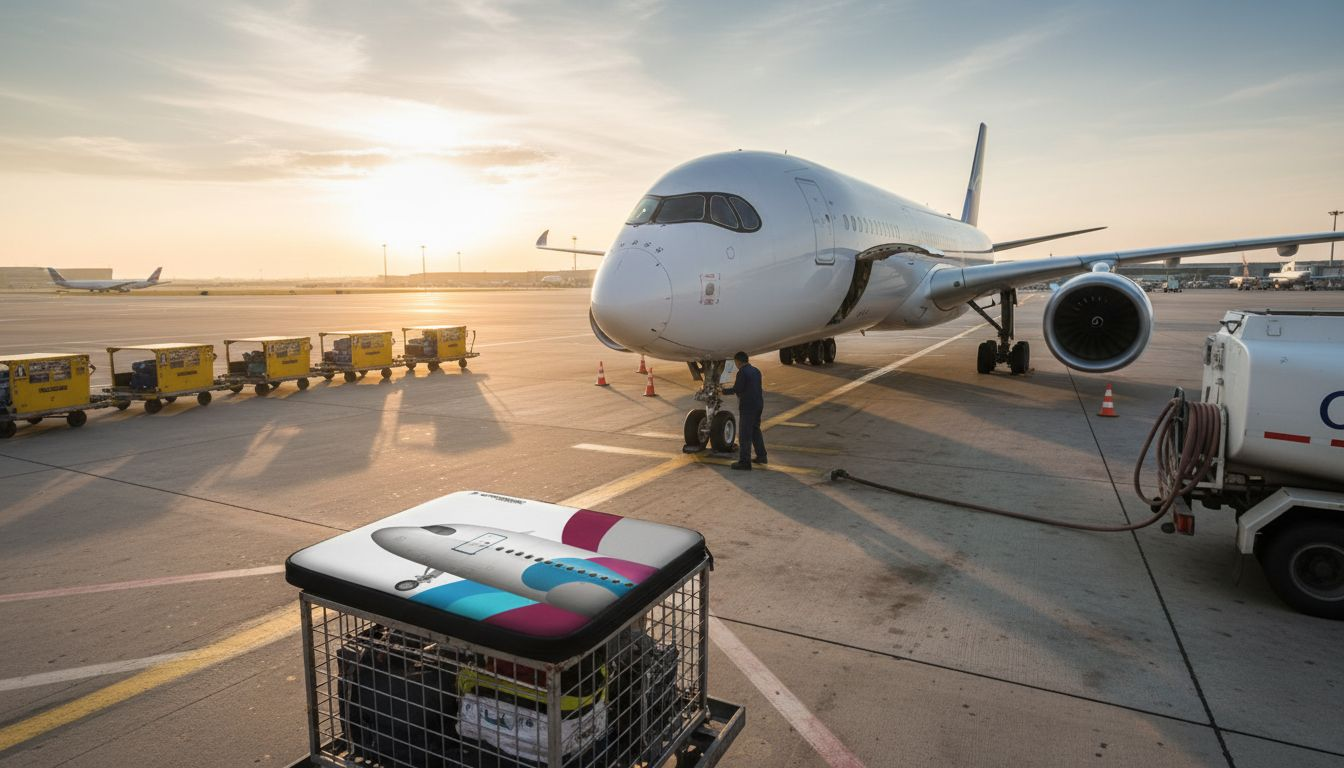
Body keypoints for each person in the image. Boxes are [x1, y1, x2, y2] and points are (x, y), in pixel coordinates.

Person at [722, 351, 766, 470]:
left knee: (745, 435)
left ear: (738, 362)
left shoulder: (742, 372)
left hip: (748, 407)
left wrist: (723, 391)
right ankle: (762, 456)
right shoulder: (756, 370)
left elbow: (737, 389)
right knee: (755, 430)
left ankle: (745, 462)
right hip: (758, 404)